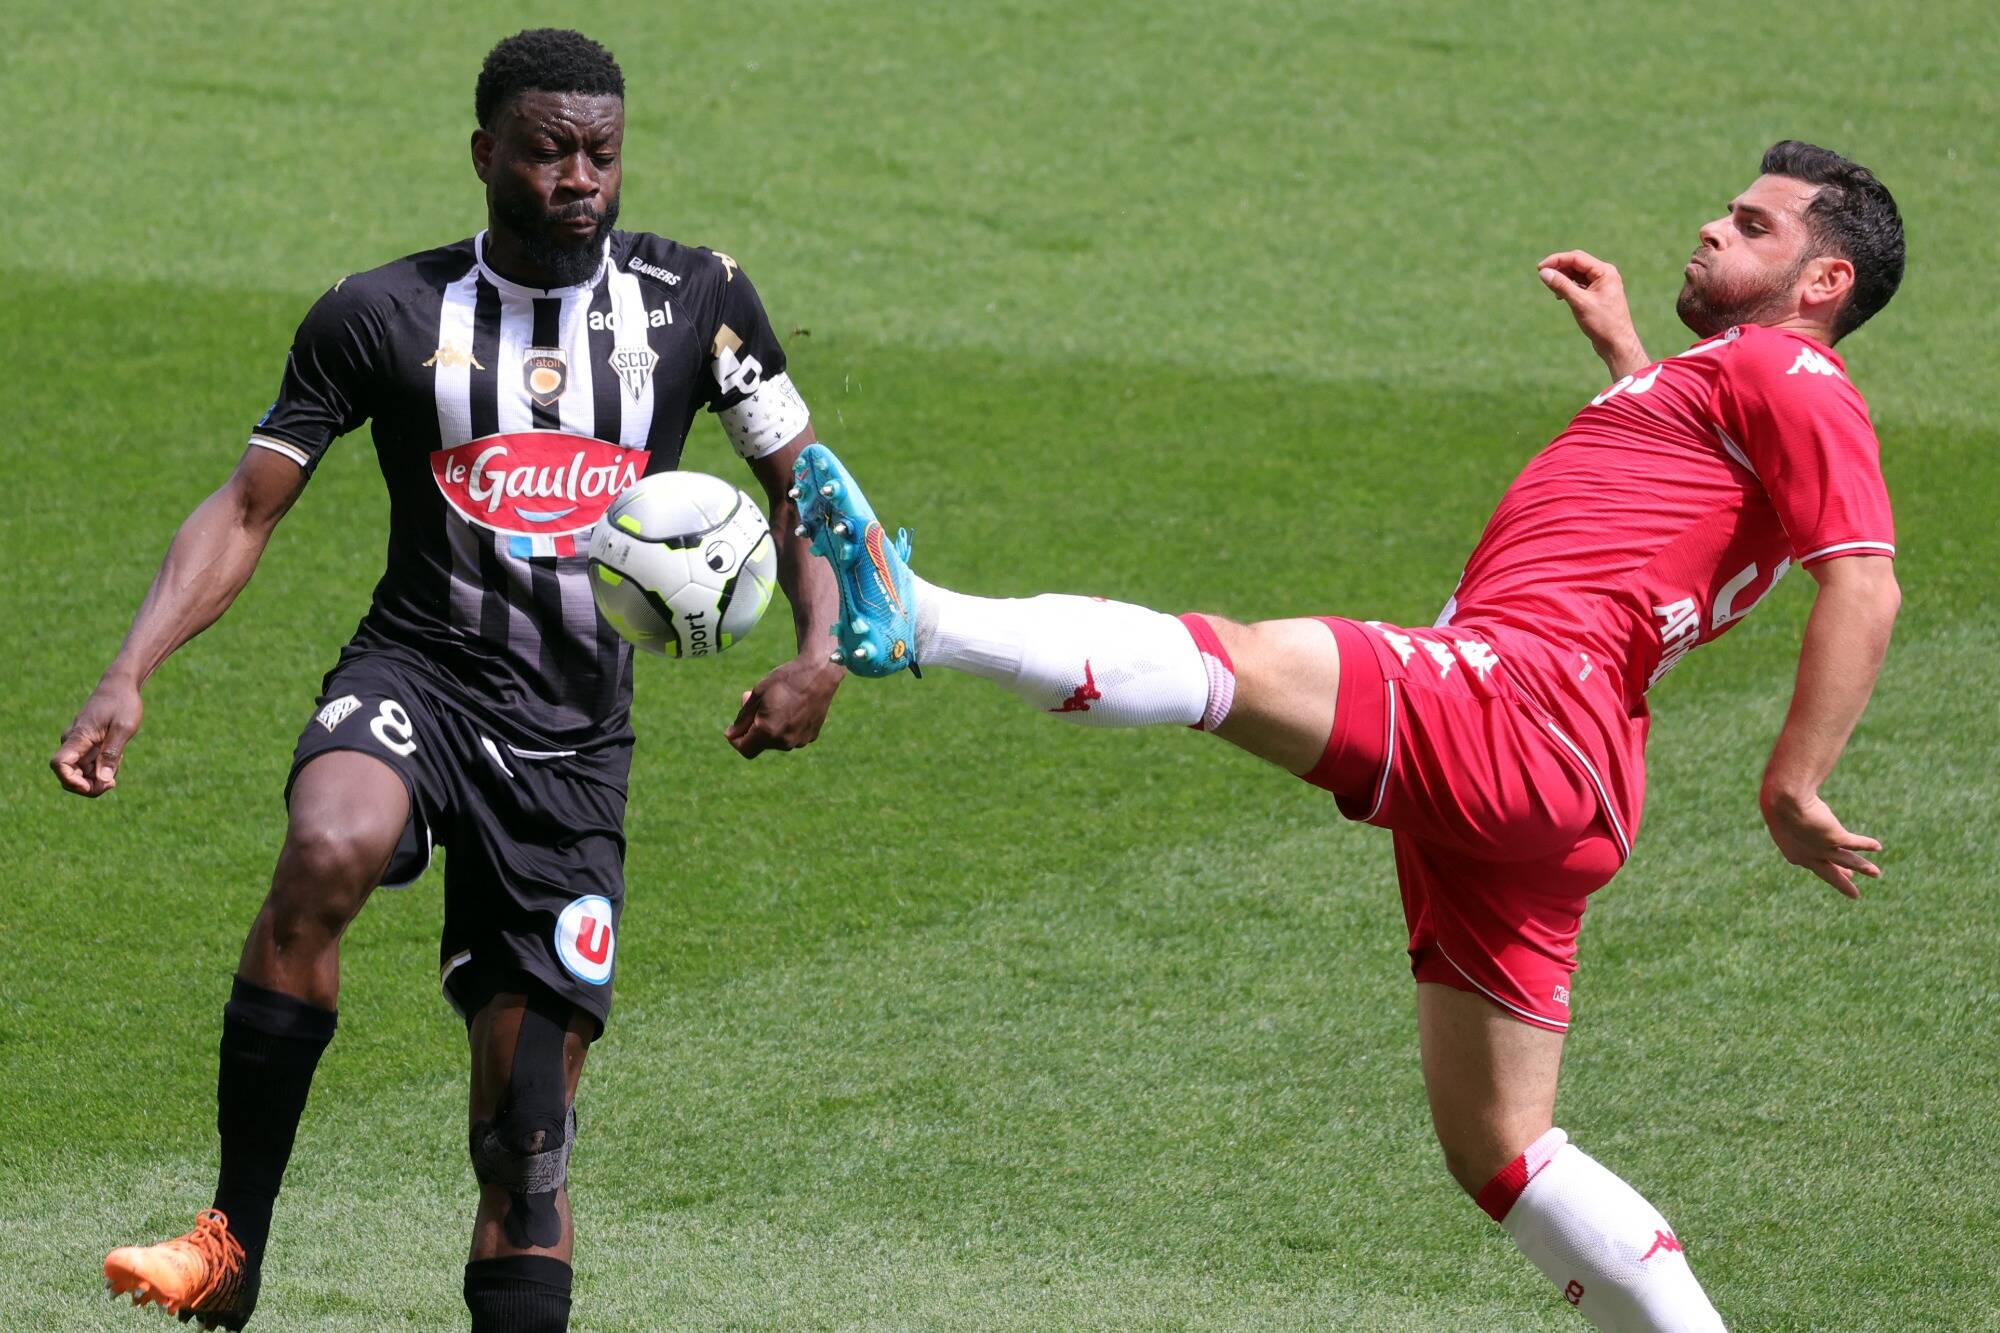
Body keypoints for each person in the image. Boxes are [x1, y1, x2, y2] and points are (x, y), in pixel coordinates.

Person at [789, 141, 1903, 1331]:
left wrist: (1792, 783)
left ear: (1822, 281)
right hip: (1564, 777)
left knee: (1238, 658)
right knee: (1503, 1149)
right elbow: (1684, 497)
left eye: (1750, 224)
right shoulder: (1729, 385)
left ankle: (925, 621)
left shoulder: (1795, 378)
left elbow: (1864, 584)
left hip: (1523, 702)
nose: (1712, 227)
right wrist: (1628, 360)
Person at [51, 29, 843, 1332]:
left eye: (601, 152)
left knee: (526, 1150)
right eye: (547, 151)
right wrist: (128, 671)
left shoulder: (697, 301)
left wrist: (818, 653)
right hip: (419, 674)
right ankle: (230, 1242)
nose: (579, 178)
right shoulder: (385, 314)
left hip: (575, 744)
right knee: (330, 840)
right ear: (486, 155)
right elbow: (248, 508)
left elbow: (802, 483)